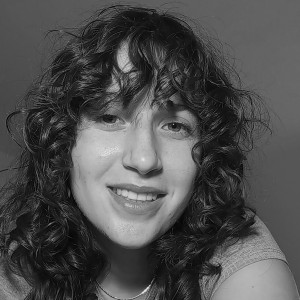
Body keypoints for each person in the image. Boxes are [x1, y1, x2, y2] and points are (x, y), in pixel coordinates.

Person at [0, 5, 299, 300]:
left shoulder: (238, 250)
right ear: (62, 140)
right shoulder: (17, 269)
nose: (144, 160)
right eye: (109, 117)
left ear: (206, 155)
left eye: (174, 126)